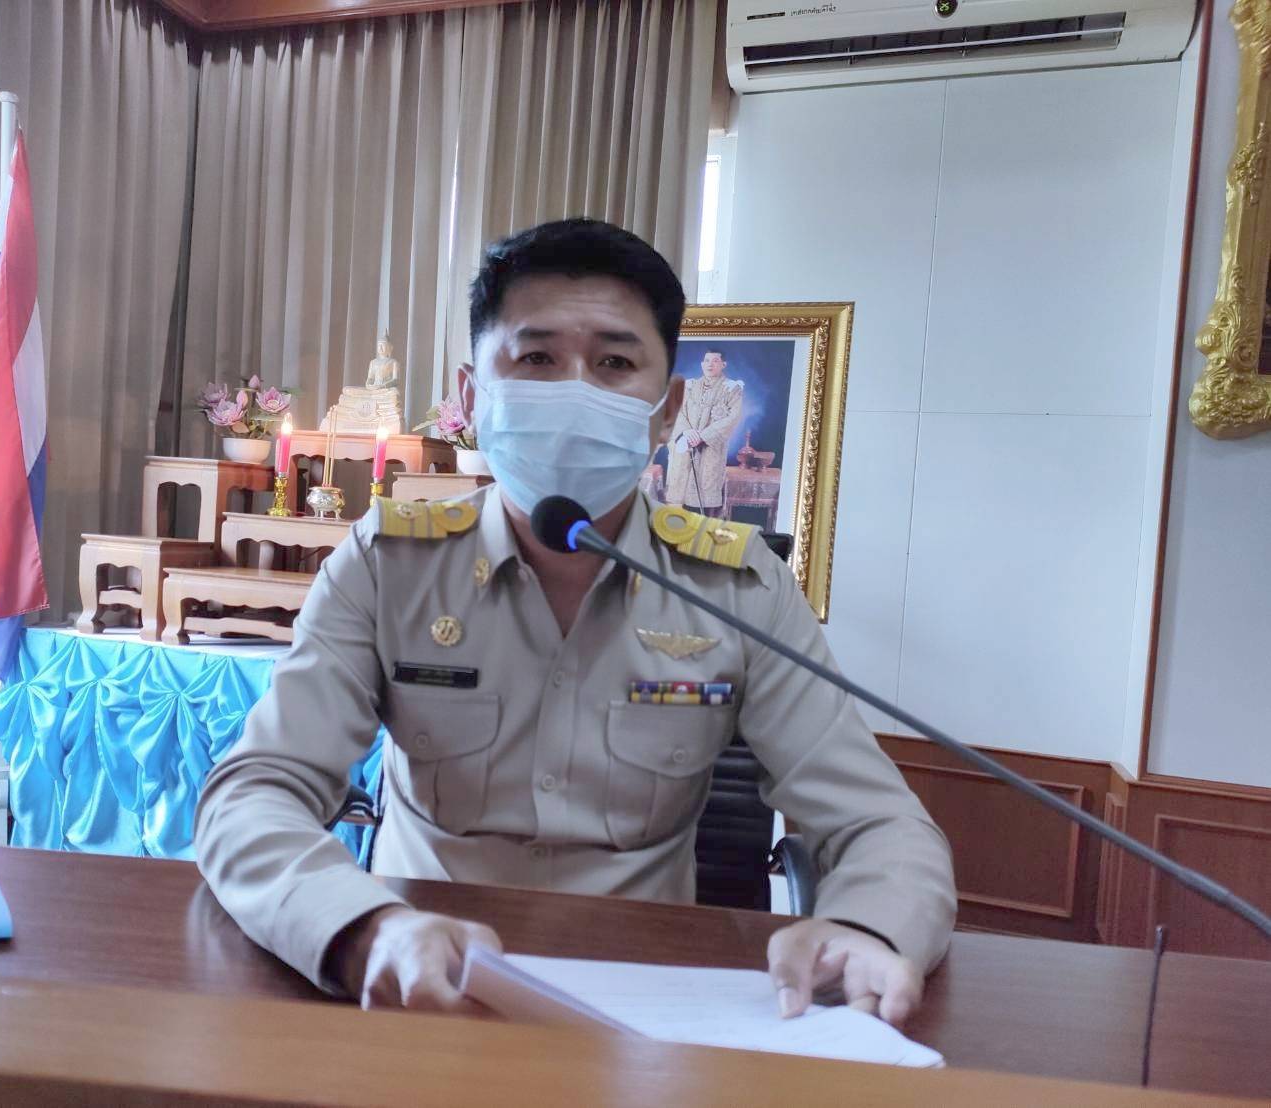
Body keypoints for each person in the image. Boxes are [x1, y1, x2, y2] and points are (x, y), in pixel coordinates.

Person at [195, 218, 956, 1025]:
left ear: (666, 411)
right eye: (536, 359)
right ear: (470, 397)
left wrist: (865, 929)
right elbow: (254, 794)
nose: (574, 390)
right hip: (421, 987)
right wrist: (361, 928)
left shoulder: (736, 587)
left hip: (648, 1004)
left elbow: (880, 825)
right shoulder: (390, 563)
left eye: (614, 363)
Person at [665, 351, 743, 516]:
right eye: (706, 360)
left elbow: (733, 417)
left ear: (723, 365)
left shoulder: (732, 388)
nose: (710, 364)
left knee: (705, 496)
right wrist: (686, 431)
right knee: (679, 500)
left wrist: (703, 436)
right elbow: (675, 410)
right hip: (686, 444)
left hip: (710, 448)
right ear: (702, 364)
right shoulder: (688, 385)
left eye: (715, 361)